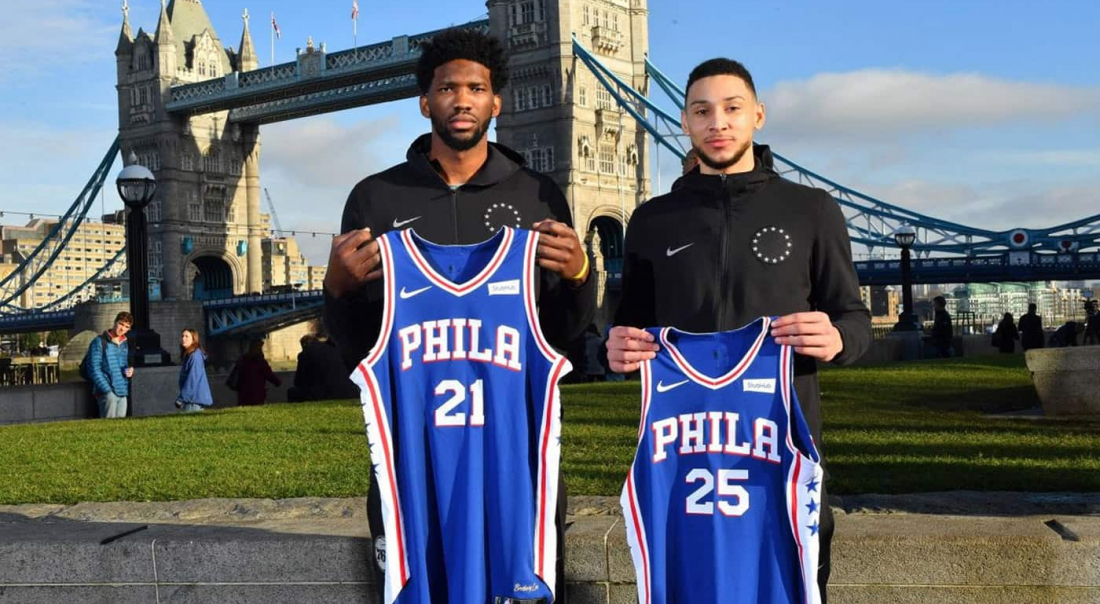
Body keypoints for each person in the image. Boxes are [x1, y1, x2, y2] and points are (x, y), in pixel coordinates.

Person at [322, 27, 594, 603]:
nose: (462, 99)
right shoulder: (375, 198)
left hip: (516, 459)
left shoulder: (539, 196)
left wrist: (579, 277)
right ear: (426, 102)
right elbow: (359, 349)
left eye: (477, 87)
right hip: (409, 465)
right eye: (448, 88)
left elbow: (564, 337)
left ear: (496, 102)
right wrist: (338, 290)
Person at [605, 57, 872, 601]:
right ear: (684, 122)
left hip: (783, 445)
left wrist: (840, 339)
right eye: (702, 111)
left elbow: (854, 316)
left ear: (758, 116)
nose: (718, 123)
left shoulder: (812, 210)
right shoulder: (652, 220)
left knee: (794, 582)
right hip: (680, 449)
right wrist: (612, 348)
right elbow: (625, 327)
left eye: (732, 109)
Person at [87, 311, 135, 418]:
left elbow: (123, 365)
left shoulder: (124, 343)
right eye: (121, 324)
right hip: (107, 393)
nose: (122, 329)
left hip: (122, 391)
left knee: (120, 429)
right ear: (115, 322)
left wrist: (129, 371)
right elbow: (93, 369)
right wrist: (107, 391)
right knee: (108, 427)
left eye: (126, 327)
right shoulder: (99, 342)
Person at [288, 334, 358, 402]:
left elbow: (298, 381)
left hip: (325, 394)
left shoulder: (306, 353)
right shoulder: (335, 350)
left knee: (292, 392)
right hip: (349, 392)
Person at [234, 339, 281, 406]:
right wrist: (277, 382)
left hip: (243, 392)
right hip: (256, 392)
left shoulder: (242, 359)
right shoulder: (259, 361)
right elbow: (269, 374)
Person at [176, 328, 213, 412]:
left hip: (194, 401)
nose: (183, 338)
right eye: (182, 336)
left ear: (193, 339)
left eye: (187, 336)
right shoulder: (190, 355)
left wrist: (181, 398)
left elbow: (192, 379)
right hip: (192, 399)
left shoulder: (195, 356)